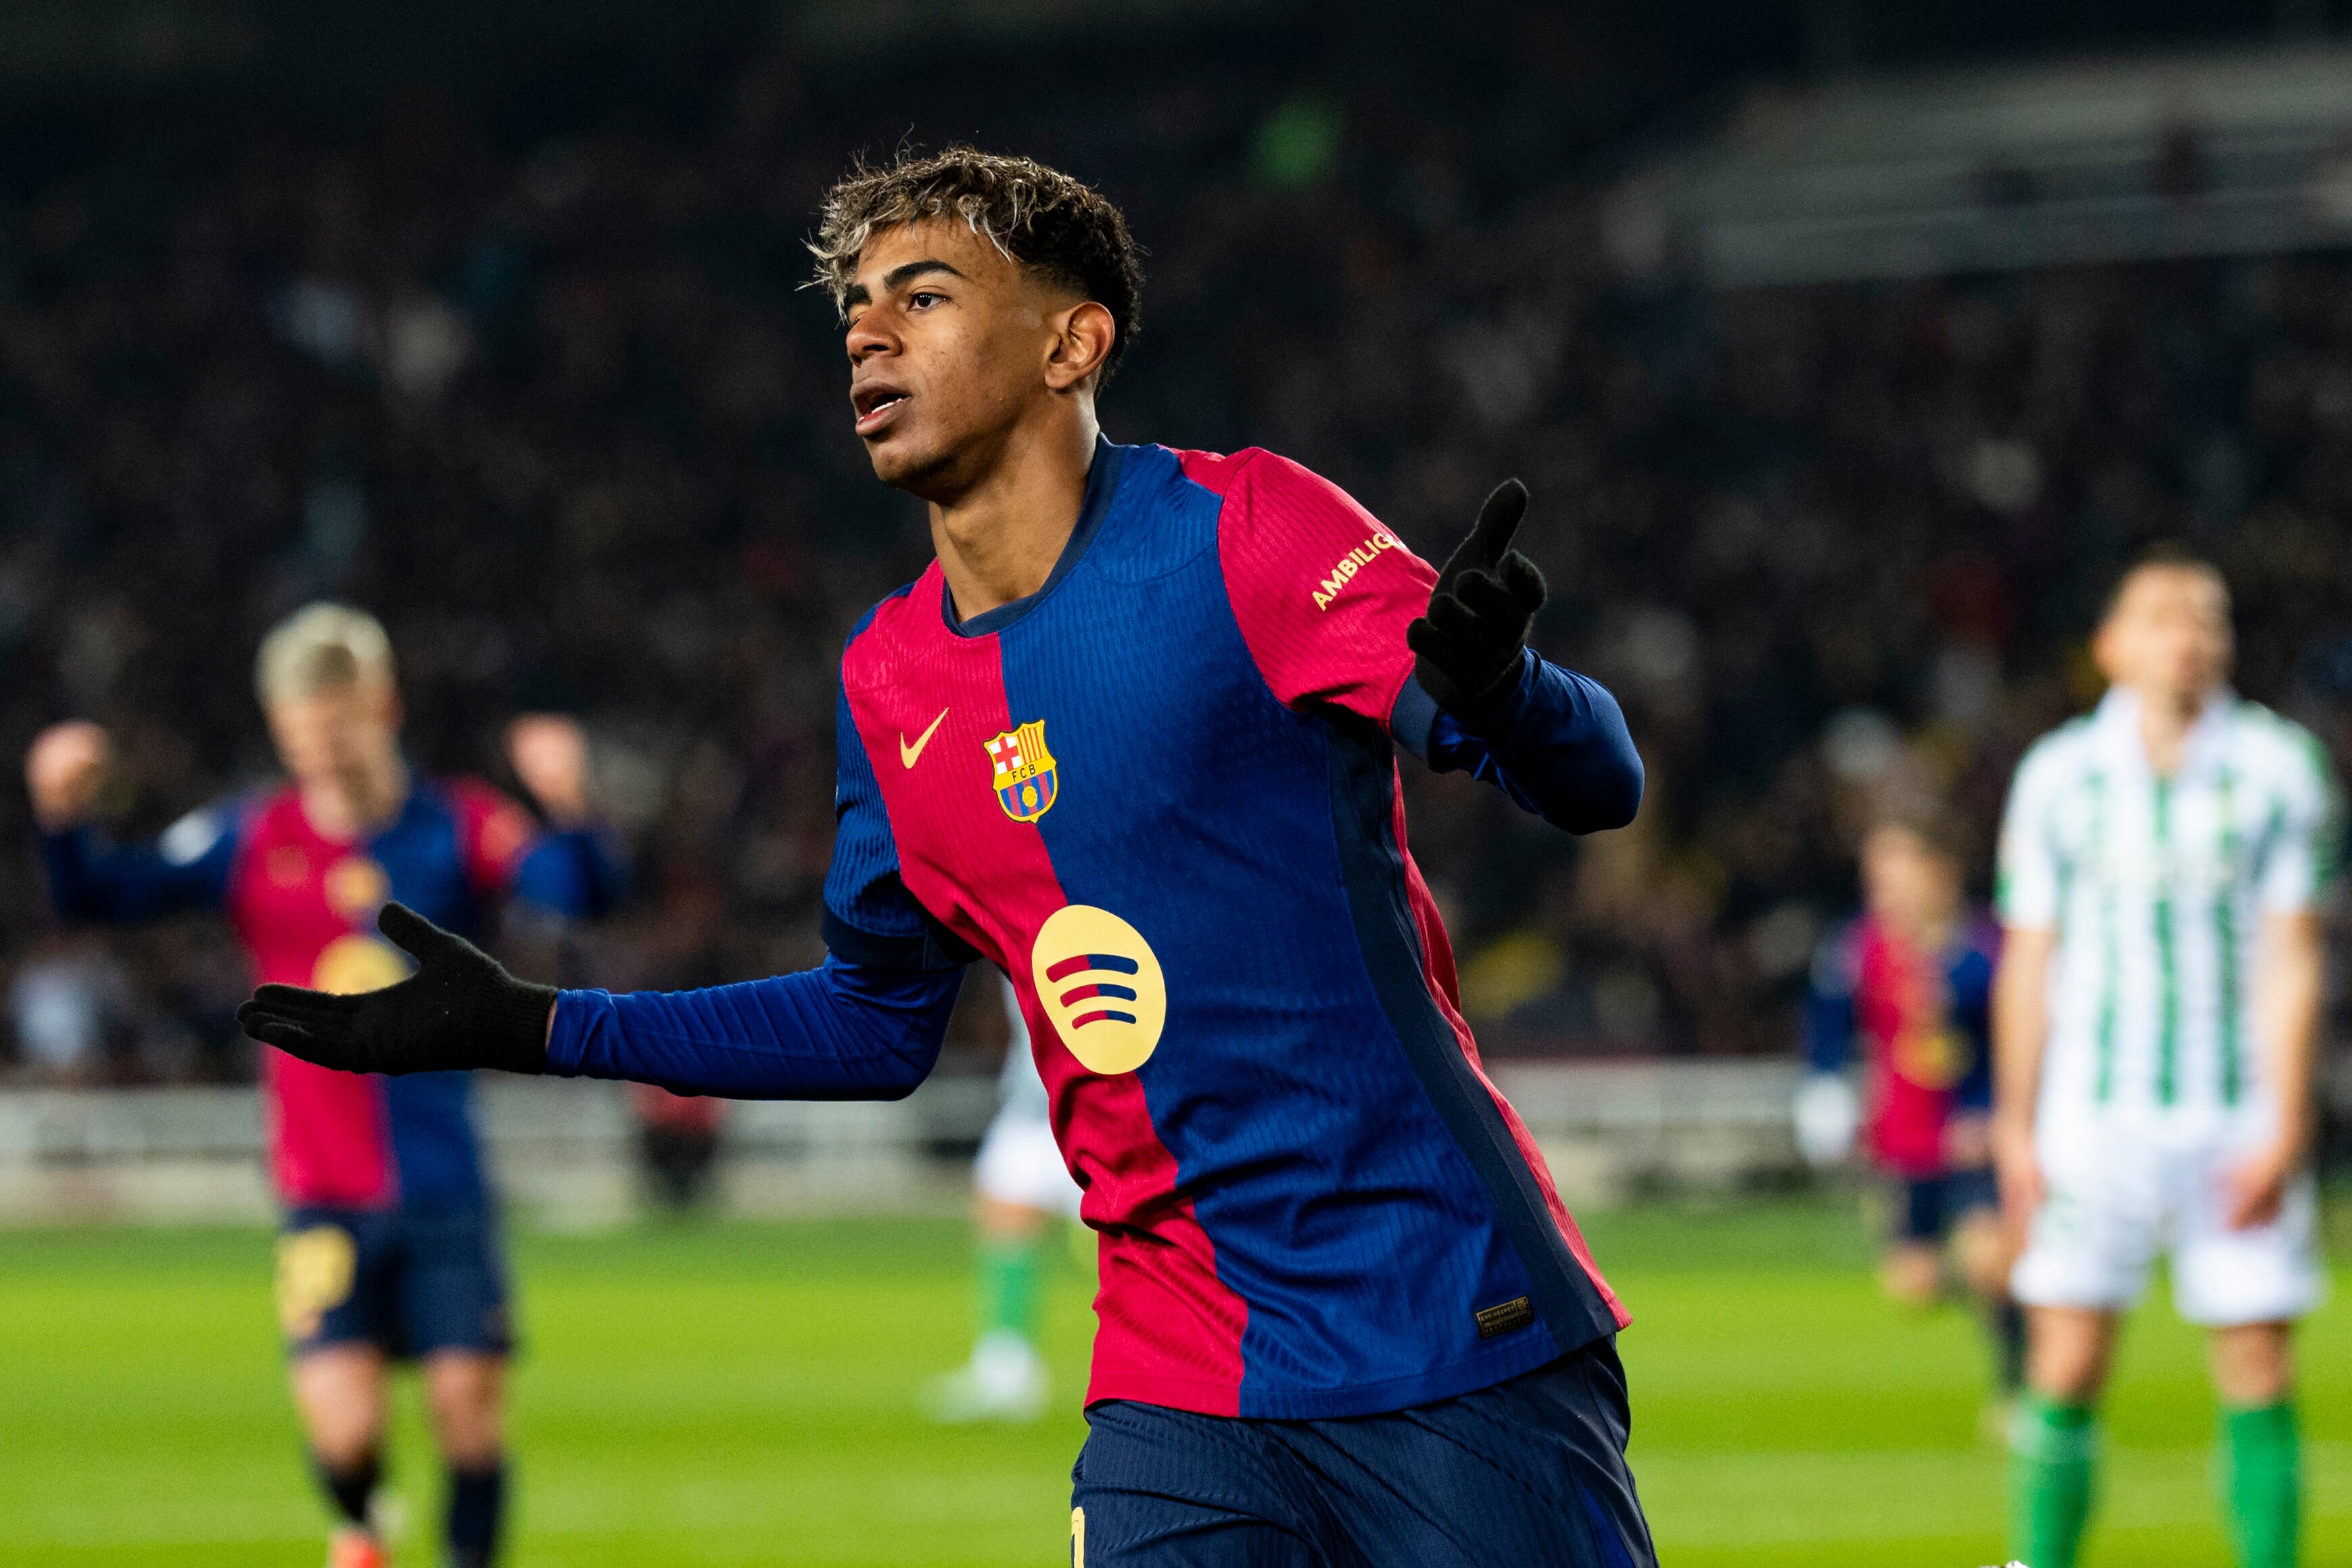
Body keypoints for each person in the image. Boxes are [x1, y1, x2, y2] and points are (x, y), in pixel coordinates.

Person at [239, 149, 1655, 1568]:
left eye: (921, 295)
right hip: (1181, 1375)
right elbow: (872, 1020)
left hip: (1447, 1320)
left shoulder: (1247, 530)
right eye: (856, 305)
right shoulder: (889, 677)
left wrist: (1506, 689)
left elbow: (1595, 779)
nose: (866, 330)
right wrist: (532, 1025)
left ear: (1070, 339)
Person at [28, 604, 620, 1568]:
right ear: (280, 727)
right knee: (344, 1435)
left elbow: (577, 888)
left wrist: (574, 803)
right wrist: (62, 813)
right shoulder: (251, 835)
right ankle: (360, 1520)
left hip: (442, 1183)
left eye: (337, 723)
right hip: (322, 1191)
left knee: (468, 1411)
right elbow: (103, 893)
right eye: (302, 731)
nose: (322, 749)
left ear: (380, 706)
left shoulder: (457, 824)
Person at [1992, 548, 2334, 1568]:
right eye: (2162, 615)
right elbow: (2028, 957)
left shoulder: (2279, 767)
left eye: (2209, 617)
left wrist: (2286, 1120)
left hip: (2235, 1112)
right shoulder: (2057, 776)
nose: (2190, 635)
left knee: (2257, 1358)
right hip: (2092, 1117)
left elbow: (2293, 954)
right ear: (2110, 646)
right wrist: (2014, 1126)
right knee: (2064, 1356)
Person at [1801, 817, 2021, 1414]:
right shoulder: (1858, 949)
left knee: (1987, 1257)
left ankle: (2017, 1387)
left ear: (1939, 872)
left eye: (1898, 874)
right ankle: (2018, 1298)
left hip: (1974, 1137)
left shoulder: (1989, 947)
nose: (1886, 891)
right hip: (1904, 1143)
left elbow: (2021, 1037)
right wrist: (1825, 1091)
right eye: (1876, 878)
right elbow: (1827, 1023)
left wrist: (2001, 1113)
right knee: (1913, 1287)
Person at [928, 970, 1085, 1423]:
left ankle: (1181, 1365)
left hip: (1098, 1104)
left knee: (1134, 1251)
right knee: (1002, 1203)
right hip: (1034, 1102)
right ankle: (1007, 1369)